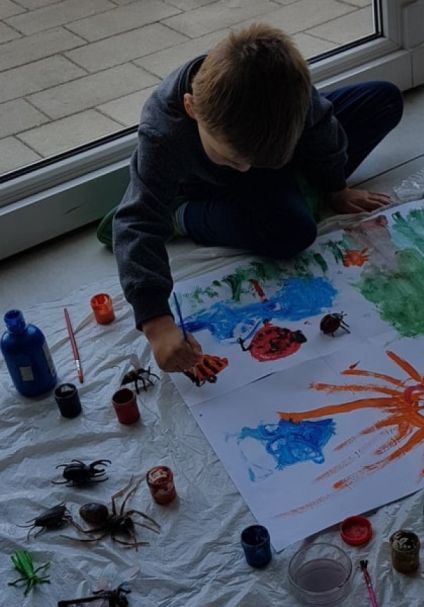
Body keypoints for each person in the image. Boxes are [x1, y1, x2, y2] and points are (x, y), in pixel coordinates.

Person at [113, 23, 403, 374]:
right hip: (207, 187)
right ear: (191, 108)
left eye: (251, 161)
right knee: (294, 232)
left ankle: (291, 178)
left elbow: (323, 129)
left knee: (385, 99)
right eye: (232, 158)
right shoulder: (165, 133)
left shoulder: (290, 94)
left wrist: (336, 188)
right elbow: (136, 221)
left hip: (276, 152)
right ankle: (185, 216)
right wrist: (156, 322)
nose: (244, 168)